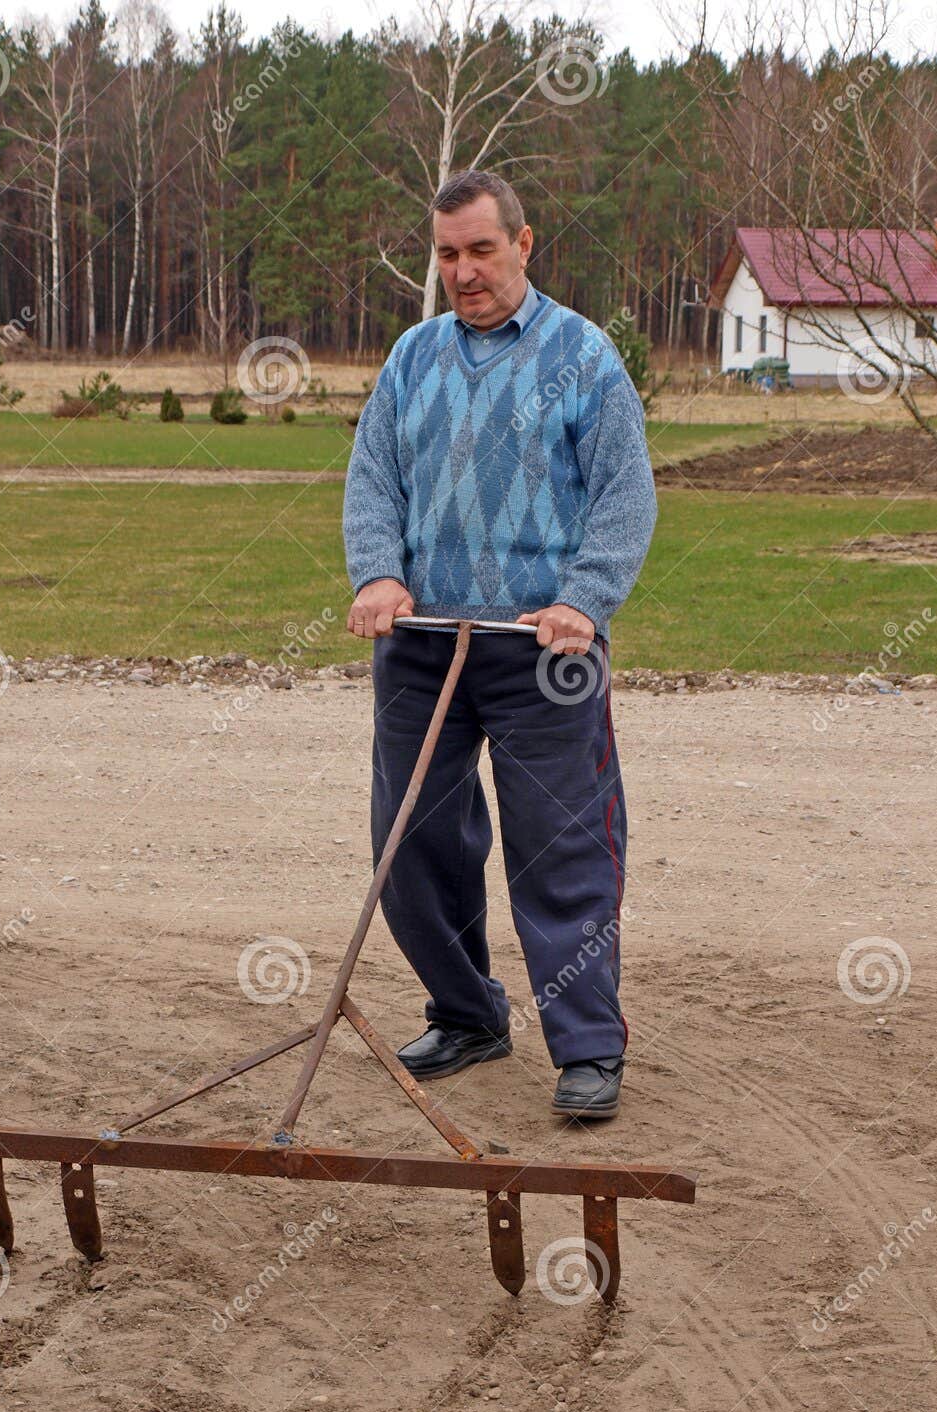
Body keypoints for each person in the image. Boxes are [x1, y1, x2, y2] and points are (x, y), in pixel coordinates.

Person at [342, 169, 656, 1123]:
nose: (464, 271)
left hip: (542, 652)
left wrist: (584, 600)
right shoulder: (412, 356)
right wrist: (377, 575)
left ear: (525, 243)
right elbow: (374, 480)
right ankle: (468, 1013)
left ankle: (589, 1049)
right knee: (415, 844)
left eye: (482, 249)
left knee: (561, 852)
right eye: (447, 254)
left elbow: (624, 495)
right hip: (424, 644)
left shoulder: (585, 357)